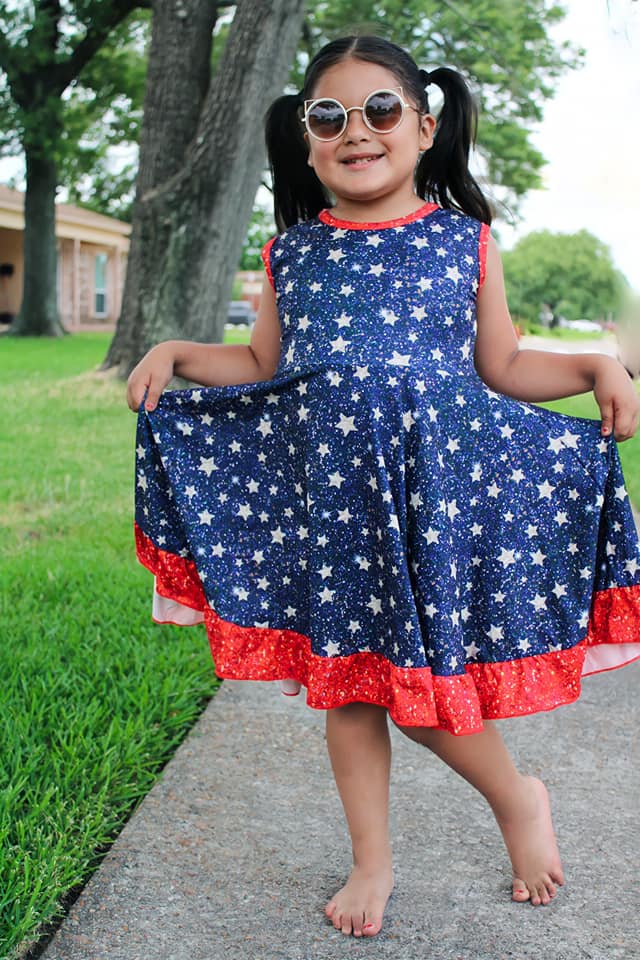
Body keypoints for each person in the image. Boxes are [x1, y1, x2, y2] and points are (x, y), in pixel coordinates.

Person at [127, 35, 640, 940]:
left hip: (430, 508)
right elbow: (257, 364)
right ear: (308, 137)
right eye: (329, 117)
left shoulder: (464, 242)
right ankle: (372, 859)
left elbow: (507, 364)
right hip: (337, 509)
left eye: (380, 111)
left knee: (425, 691)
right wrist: (174, 352)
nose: (355, 131)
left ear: (425, 127)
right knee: (351, 693)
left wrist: (596, 365)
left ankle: (518, 798)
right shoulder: (293, 254)